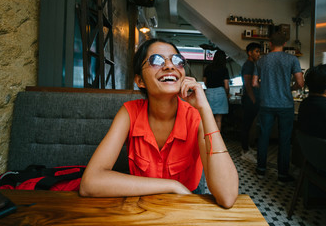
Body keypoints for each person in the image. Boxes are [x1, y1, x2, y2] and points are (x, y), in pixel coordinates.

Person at [79, 38, 239, 208]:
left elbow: (227, 197)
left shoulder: (195, 116)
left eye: (177, 60)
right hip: (141, 205)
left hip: (186, 206)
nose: (170, 66)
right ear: (140, 81)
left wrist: (205, 109)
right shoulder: (129, 113)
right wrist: (171, 186)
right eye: (156, 60)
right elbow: (90, 183)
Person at [252, 32, 304, 184]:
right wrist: (289, 89)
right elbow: (300, 83)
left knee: (263, 136)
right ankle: (282, 175)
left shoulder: (261, 60)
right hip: (285, 105)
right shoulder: (292, 59)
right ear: (285, 43)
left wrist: (265, 89)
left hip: (266, 104)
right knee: (285, 139)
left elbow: (254, 83)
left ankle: (261, 170)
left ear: (270, 43)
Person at [240, 42, 261, 162]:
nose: (259, 54)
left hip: (250, 98)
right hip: (249, 99)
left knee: (249, 125)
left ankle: (247, 148)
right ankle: (244, 151)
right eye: (257, 51)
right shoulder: (249, 65)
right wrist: (253, 99)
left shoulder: (252, 64)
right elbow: (247, 84)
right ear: (250, 52)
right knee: (246, 126)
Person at [203, 50, 230, 131]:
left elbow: (205, 82)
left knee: (208, 118)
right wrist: (227, 94)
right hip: (220, 93)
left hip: (209, 92)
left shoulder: (208, 68)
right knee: (218, 119)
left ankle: (208, 138)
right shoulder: (224, 69)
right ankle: (217, 140)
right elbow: (226, 85)